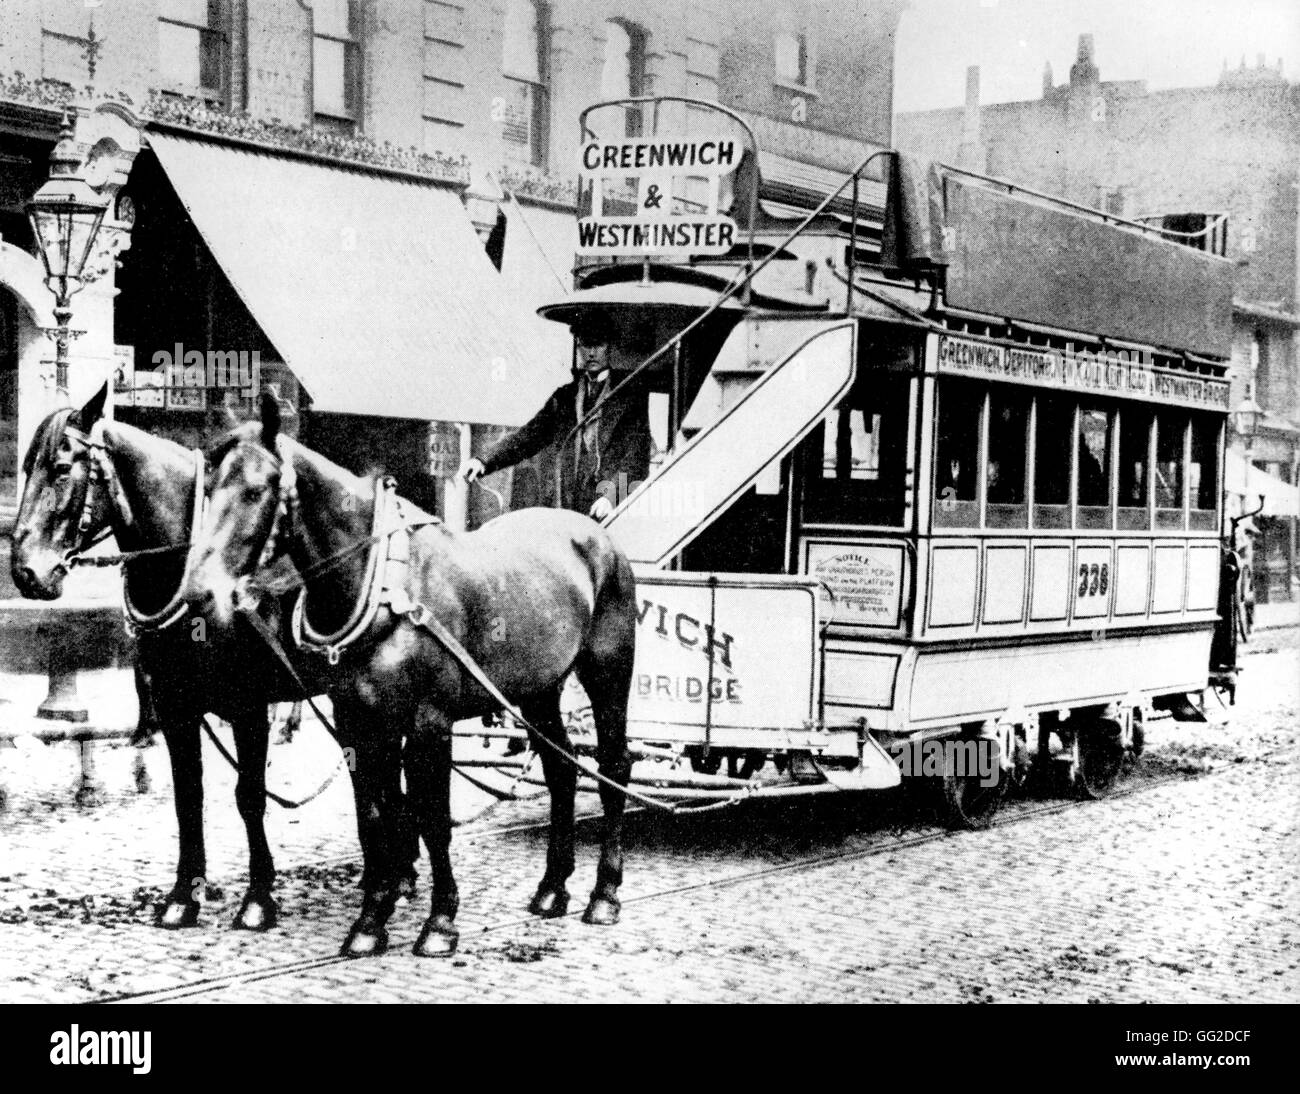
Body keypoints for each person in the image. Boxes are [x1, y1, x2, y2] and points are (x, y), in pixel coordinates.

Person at [459, 314, 654, 520]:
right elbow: (528, 436)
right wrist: (484, 460)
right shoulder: (564, 397)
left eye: (598, 344)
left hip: (609, 507)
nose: (591, 353)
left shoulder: (629, 398)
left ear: (609, 346)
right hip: (567, 505)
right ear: (578, 347)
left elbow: (635, 459)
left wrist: (611, 496)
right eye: (585, 345)